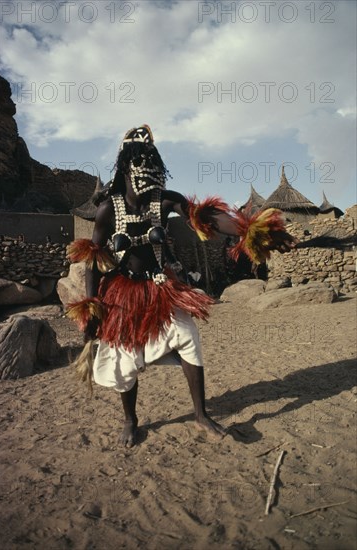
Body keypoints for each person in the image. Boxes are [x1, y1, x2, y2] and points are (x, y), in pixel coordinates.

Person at [66, 125, 296, 447]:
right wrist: (91, 305)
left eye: (153, 162)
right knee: (124, 357)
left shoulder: (165, 201)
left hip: (161, 288)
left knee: (188, 337)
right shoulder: (108, 209)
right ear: (126, 169)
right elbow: (92, 259)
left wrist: (250, 230)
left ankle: (201, 414)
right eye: (141, 162)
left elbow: (205, 219)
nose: (148, 169)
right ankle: (131, 419)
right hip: (122, 293)